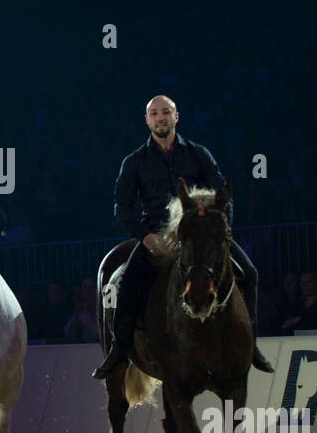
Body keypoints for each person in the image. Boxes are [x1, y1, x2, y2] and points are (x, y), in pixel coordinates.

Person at [92, 94, 273, 379]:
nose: (160, 117)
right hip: (157, 235)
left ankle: (251, 344)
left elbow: (224, 196)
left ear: (176, 117)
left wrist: (221, 233)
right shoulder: (134, 161)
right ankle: (120, 347)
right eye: (154, 113)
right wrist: (146, 237)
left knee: (249, 274)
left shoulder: (199, 154)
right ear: (147, 120)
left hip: (199, 233)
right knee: (126, 283)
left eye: (166, 112)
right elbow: (122, 209)